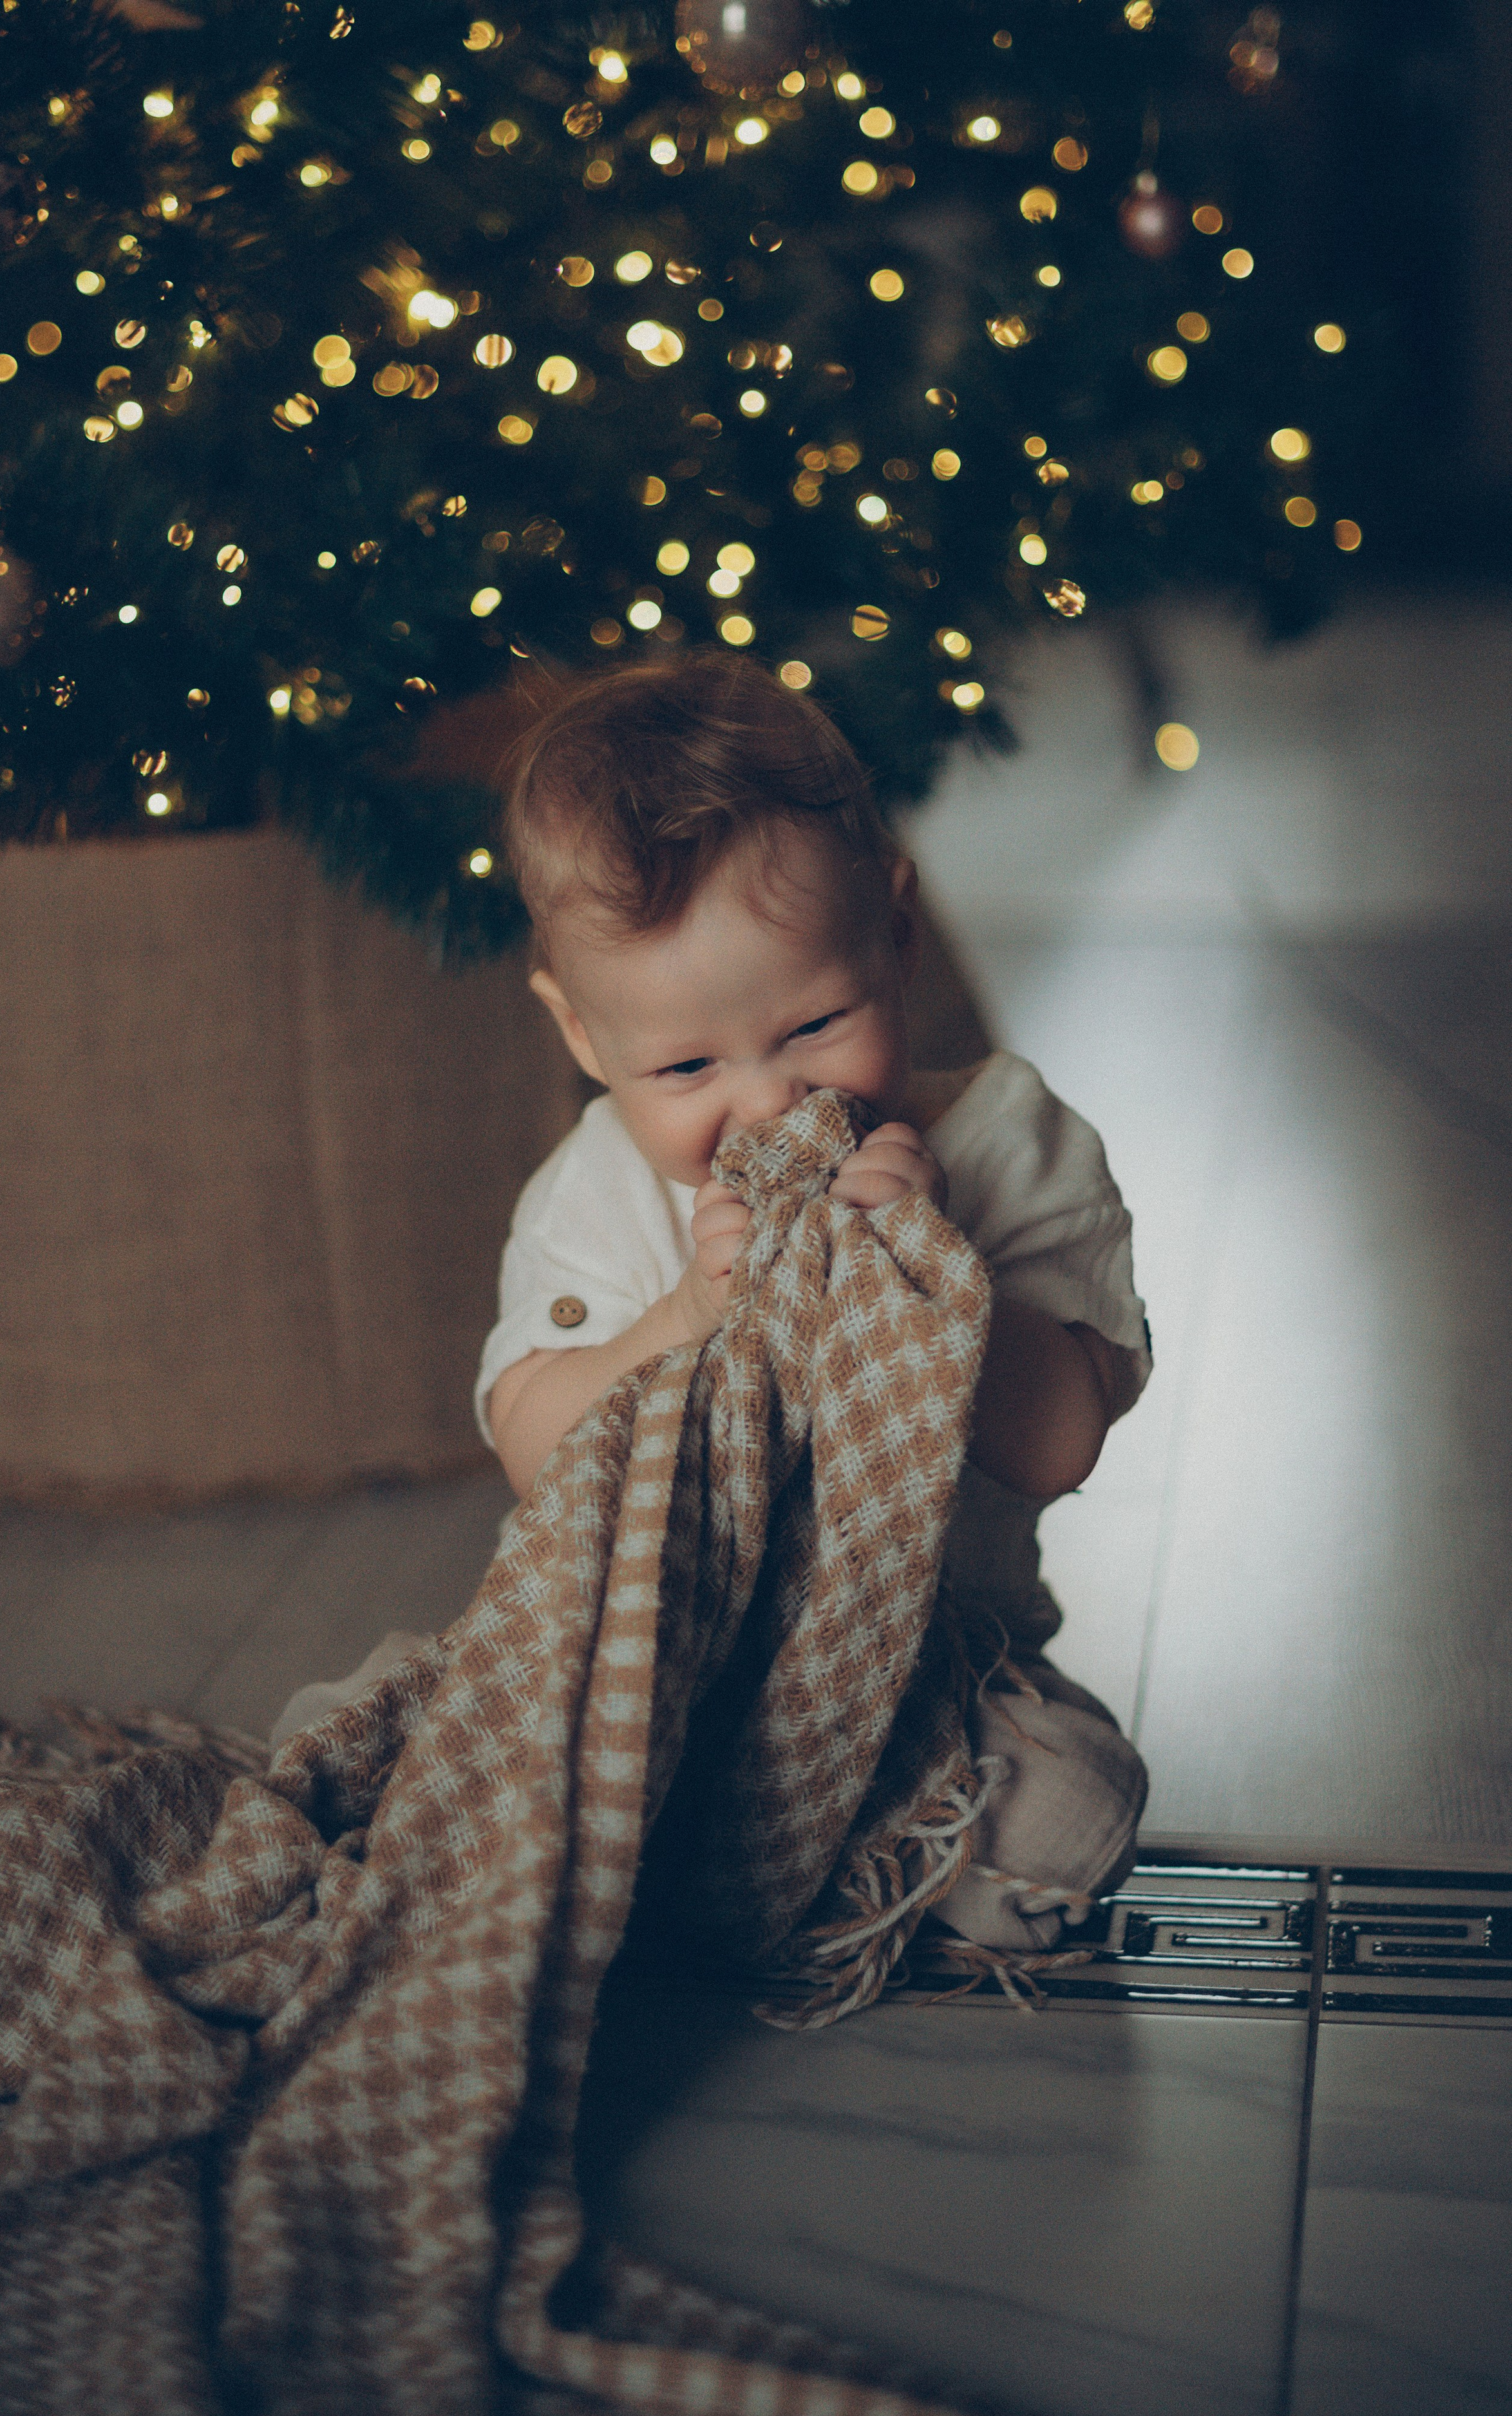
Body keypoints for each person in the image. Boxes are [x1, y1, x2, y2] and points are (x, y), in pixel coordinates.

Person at [477, 654, 1148, 1953]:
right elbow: (536, 1452)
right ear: (581, 1038)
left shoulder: (1010, 1143)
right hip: (663, 1682)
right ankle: (736, 1869)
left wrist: (929, 1257)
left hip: (939, 1682)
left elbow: (1056, 1442)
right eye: (682, 1063)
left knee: (1071, 1818)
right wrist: (683, 1315)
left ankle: (828, 1869)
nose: (771, 1104)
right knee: (457, 1742)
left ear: (896, 932)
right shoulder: (598, 1189)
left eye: (815, 1023)